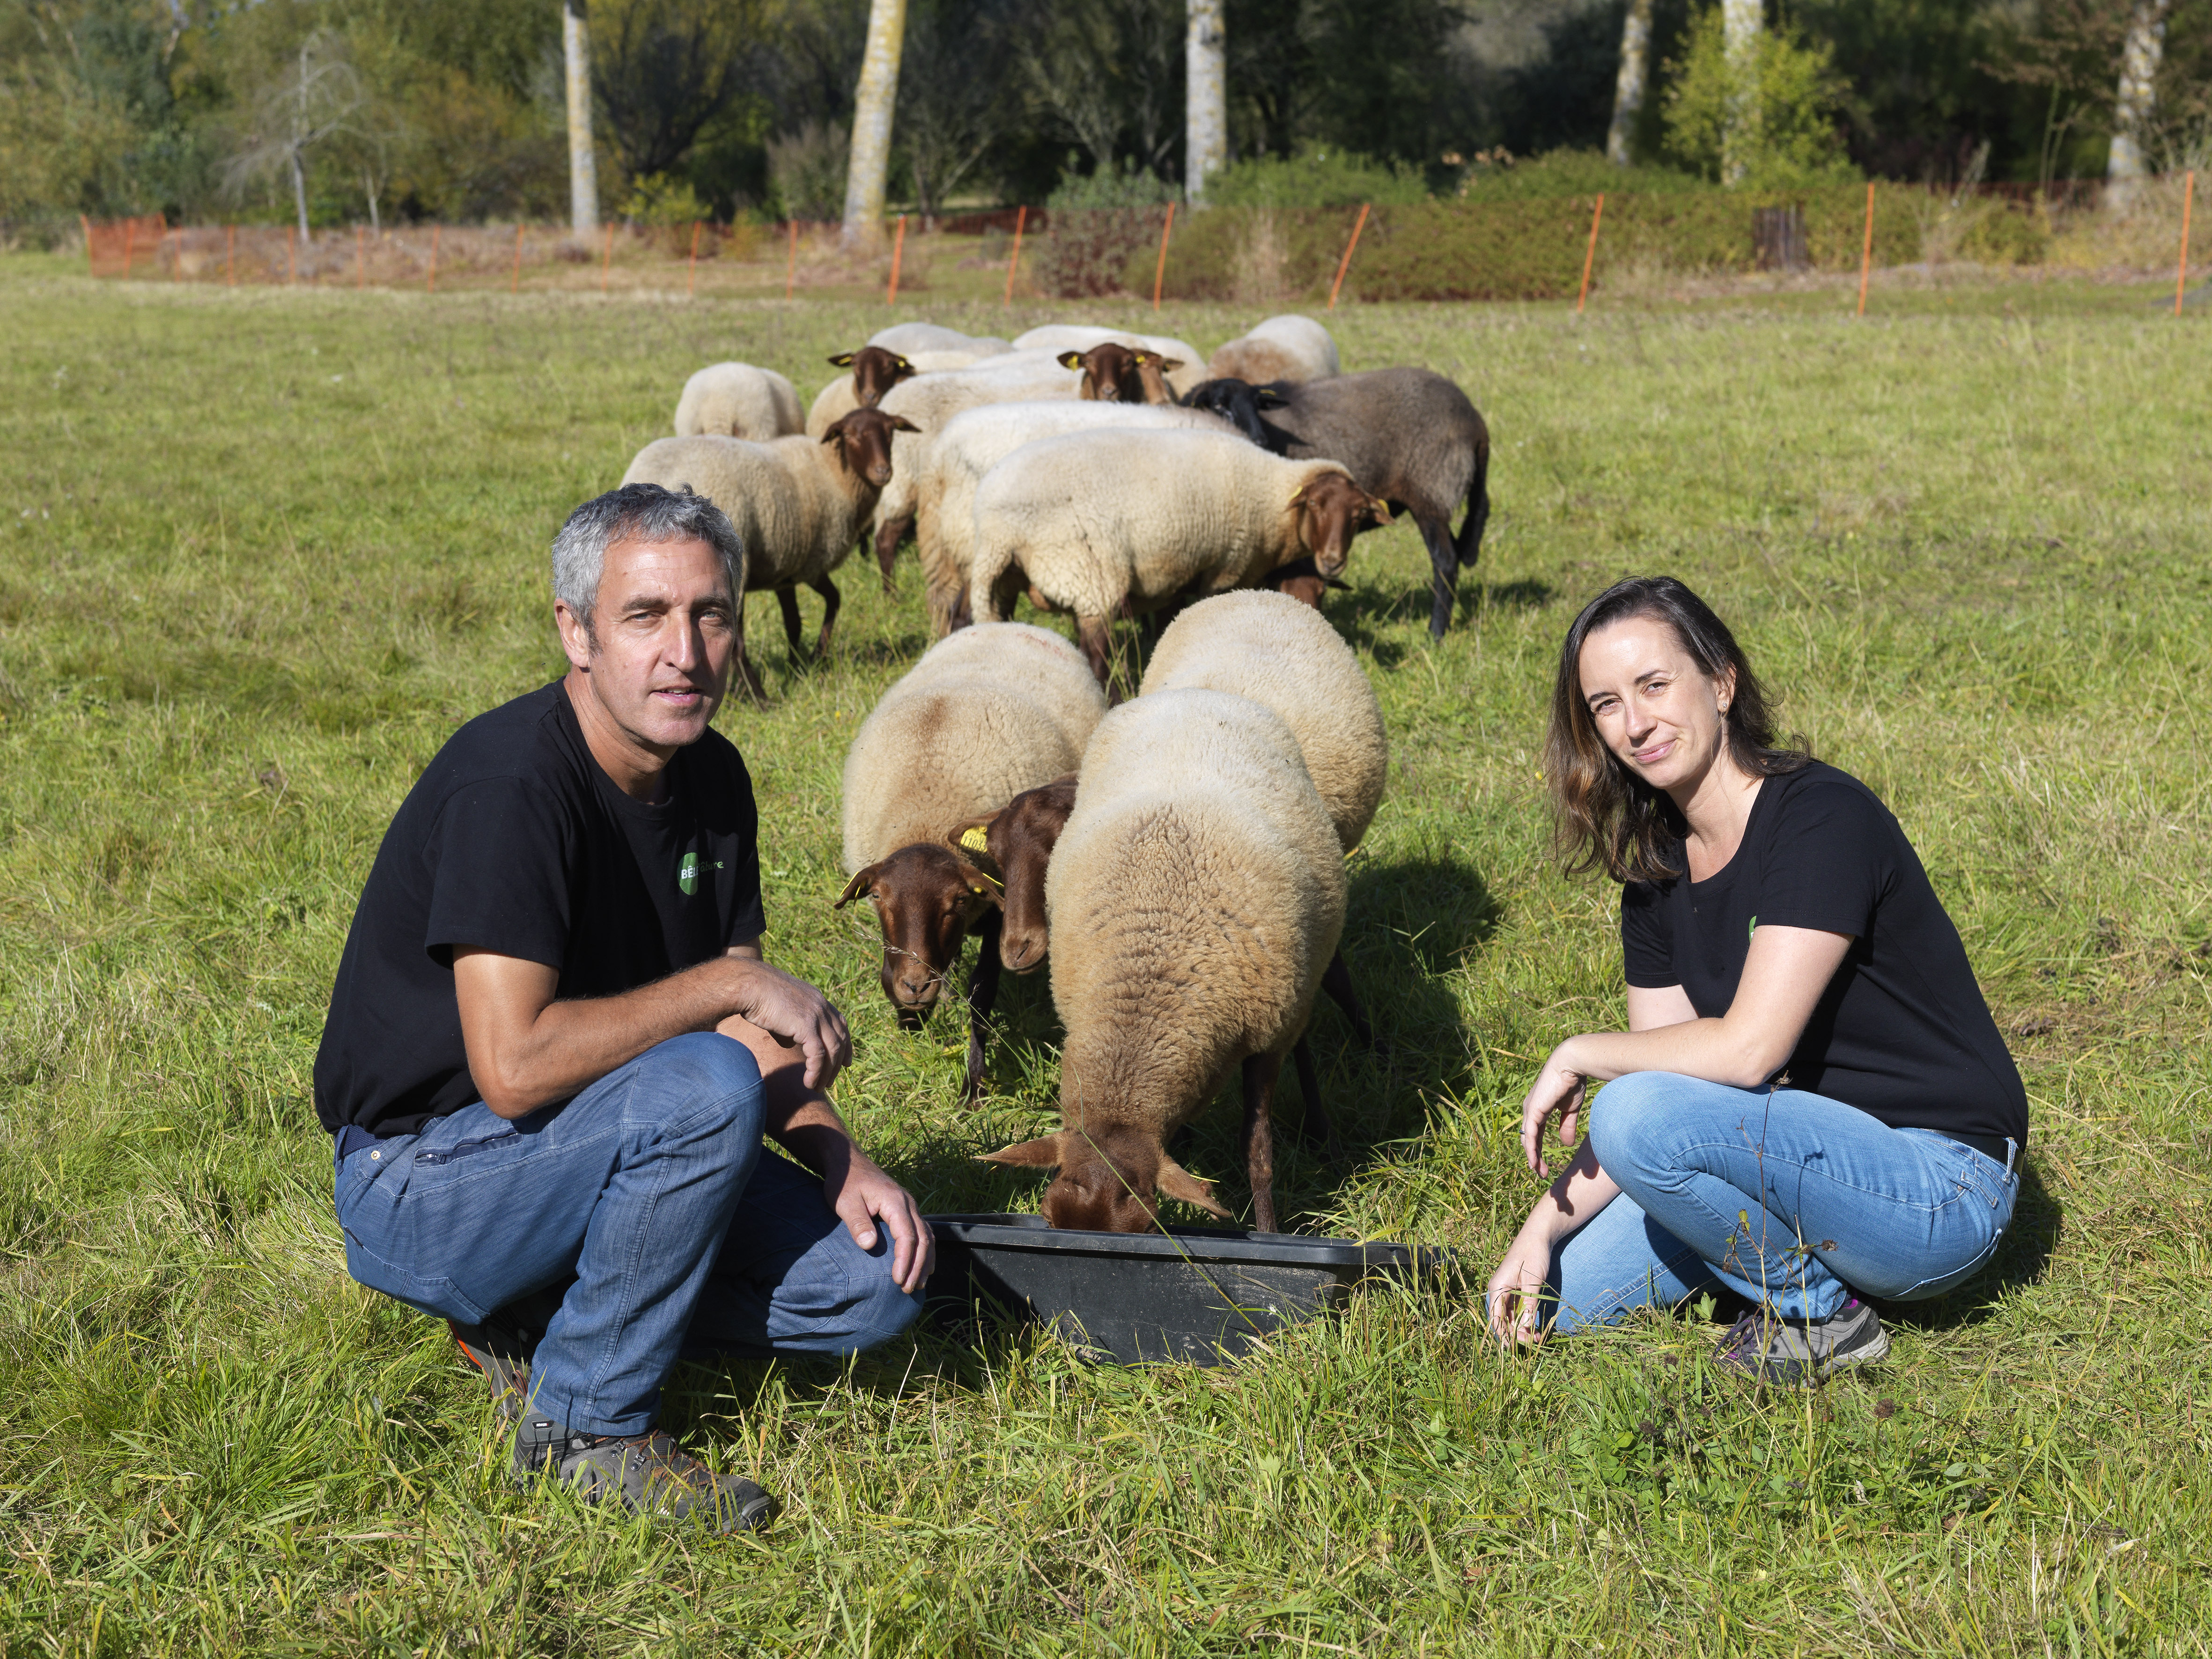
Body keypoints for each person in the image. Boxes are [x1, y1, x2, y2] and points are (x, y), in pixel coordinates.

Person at [314, 483, 933, 1532]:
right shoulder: (512, 786)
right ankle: (587, 1426)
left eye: (713, 613)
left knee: (871, 1287)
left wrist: (841, 1158)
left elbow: (750, 1031)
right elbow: (512, 1068)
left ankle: (546, 1320)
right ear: (577, 630)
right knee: (705, 1081)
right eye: (645, 615)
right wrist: (729, 984)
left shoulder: (713, 778)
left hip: (613, 1137)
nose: (684, 651)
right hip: (422, 1179)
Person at [1485, 576, 2026, 1384]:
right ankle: (1781, 1265)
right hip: (1788, 1165)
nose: (1635, 724)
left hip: (1937, 1187)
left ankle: (1820, 1315)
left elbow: (1745, 1054)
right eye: (1605, 704)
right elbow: (1667, 1080)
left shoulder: (1822, 818)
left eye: (1655, 685)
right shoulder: (1654, 874)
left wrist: (1577, 1049)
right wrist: (1540, 1233)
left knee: (1632, 1104)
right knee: (1557, 1305)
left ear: (1723, 682)